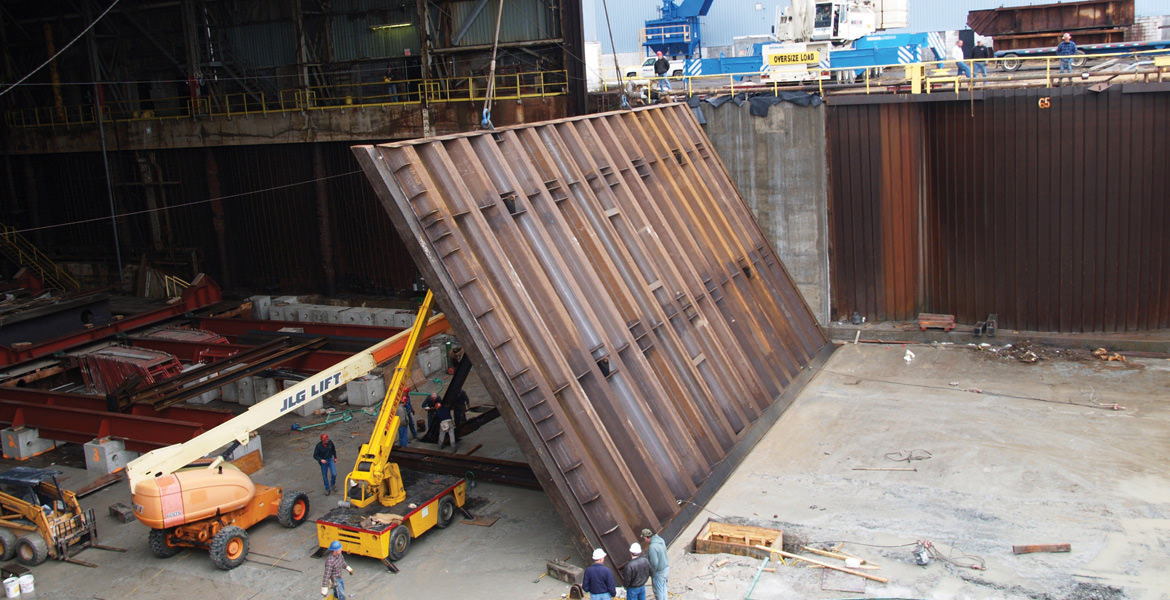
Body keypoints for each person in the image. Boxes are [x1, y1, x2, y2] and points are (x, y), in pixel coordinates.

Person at [640, 528, 669, 600]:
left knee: (658, 592)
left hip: (659, 572)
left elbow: (654, 564)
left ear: (647, 537)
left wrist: (651, 574)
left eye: (644, 538)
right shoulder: (661, 540)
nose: (644, 540)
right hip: (666, 568)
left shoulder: (652, 547)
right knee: (664, 589)